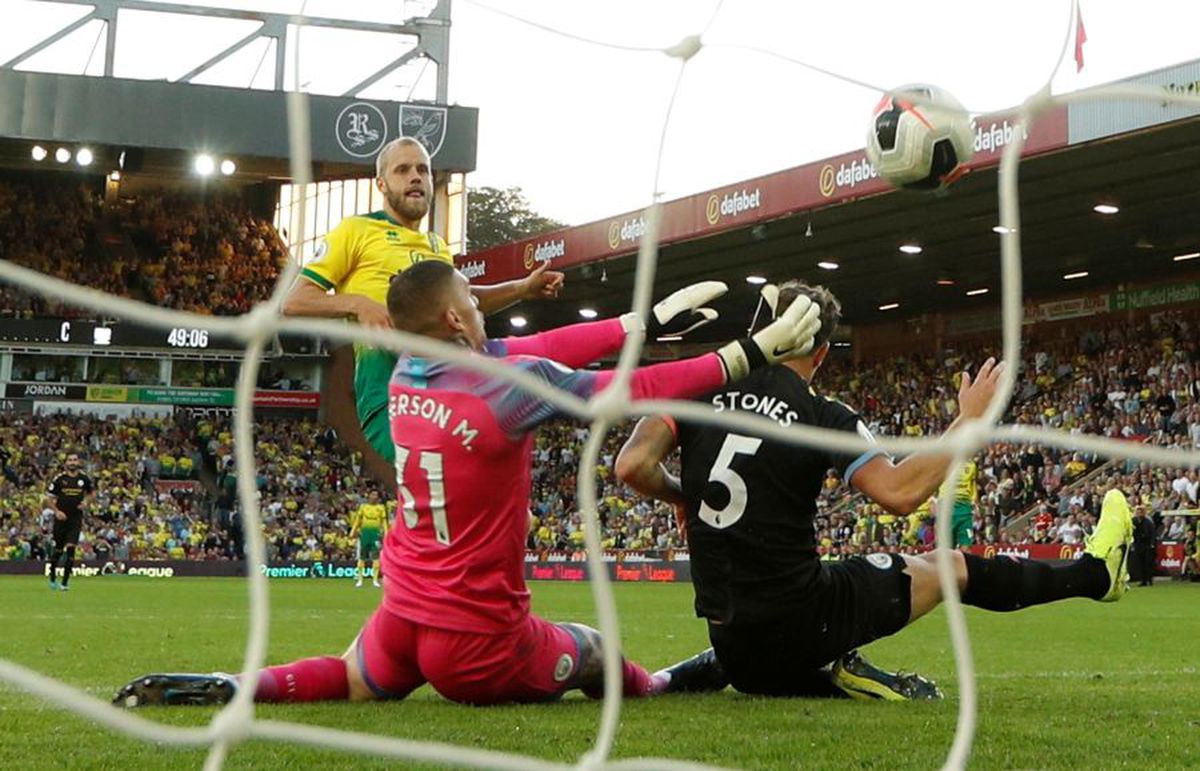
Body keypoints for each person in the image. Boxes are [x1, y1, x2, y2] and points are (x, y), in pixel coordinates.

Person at [113, 261, 822, 707]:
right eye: (476, 308)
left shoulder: (404, 371)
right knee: (596, 650)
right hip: (480, 644)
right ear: (456, 319)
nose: (486, 320)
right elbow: (627, 388)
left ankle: (243, 684)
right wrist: (746, 353)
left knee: (353, 676)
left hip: (402, 616)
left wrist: (643, 320)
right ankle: (663, 684)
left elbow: (536, 346)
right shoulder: (507, 390)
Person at [616, 281, 1134, 700]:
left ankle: (813, 672)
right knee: (949, 567)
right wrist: (967, 423)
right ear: (821, 353)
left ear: (759, 332)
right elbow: (900, 493)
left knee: (777, 620)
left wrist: (685, 496)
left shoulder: (697, 387)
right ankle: (1095, 574)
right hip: (801, 626)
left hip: (731, 643)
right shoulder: (820, 415)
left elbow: (633, 465)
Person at [282, 137, 565, 484]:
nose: (415, 177)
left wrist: (522, 288)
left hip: (445, 389)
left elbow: (466, 302)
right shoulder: (355, 231)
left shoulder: (438, 247)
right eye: (402, 170)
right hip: (388, 395)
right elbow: (294, 303)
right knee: (446, 482)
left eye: (423, 170)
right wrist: (358, 303)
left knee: (475, 486)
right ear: (381, 184)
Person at [44, 451, 95, 591]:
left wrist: (86, 502)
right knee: (58, 551)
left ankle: (65, 583)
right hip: (61, 519)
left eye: (75, 460)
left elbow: (92, 493)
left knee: (71, 549)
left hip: (75, 518)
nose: (72, 462)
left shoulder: (84, 478)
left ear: (78, 462)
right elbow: (48, 499)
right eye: (70, 460)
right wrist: (57, 511)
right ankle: (53, 577)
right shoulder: (59, 479)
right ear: (66, 463)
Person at [350, 489, 389, 588]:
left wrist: (386, 533)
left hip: (375, 534)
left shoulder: (381, 508)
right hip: (364, 533)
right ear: (369, 496)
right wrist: (353, 531)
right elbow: (358, 520)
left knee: (375, 557)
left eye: (376, 495)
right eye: (372, 494)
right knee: (362, 556)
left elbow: (384, 521)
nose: (374, 497)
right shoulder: (363, 507)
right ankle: (360, 579)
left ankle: (375, 580)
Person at [1130, 505, 1157, 587]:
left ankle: (1149, 579)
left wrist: (1152, 544)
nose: (1138, 513)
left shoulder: (1148, 522)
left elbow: (1152, 533)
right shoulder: (1133, 521)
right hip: (1138, 544)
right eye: (1137, 512)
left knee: (1147, 563)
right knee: (1140, 563)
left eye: (1140, 512)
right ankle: (1143, 580)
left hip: (1147, 544)